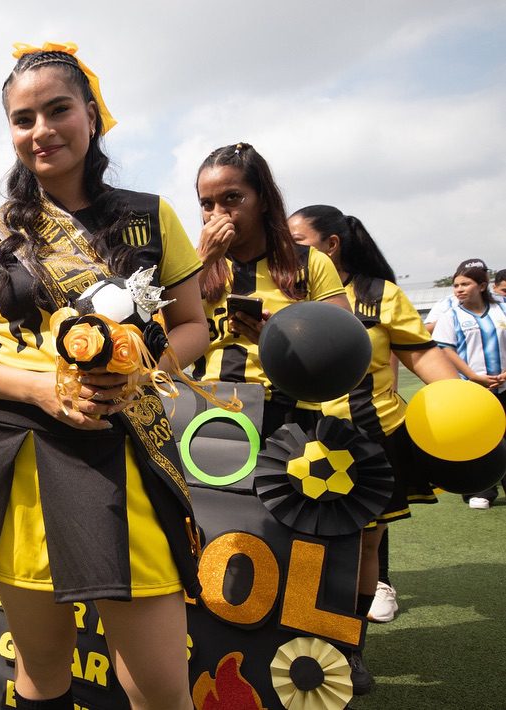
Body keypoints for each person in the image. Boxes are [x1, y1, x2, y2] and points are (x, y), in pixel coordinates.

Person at [0, 43, 207, 709]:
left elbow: (194, 324)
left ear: (91, 114)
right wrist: (39, 390)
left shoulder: (150, 215)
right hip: (18, 453)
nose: (41, 130)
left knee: (159, 686)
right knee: (40, 672)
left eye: (57, 110)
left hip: (125, 449)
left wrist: (139, 372)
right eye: (23, 119)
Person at [289, 204, 459, 695]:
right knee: (303, 546)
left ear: (331, 244)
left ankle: (349, 649)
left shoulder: (380, 294)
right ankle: (297, 642)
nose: (289, 251)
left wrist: (461, 399)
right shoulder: (284, 290)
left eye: (298, 241)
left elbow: (421, 352)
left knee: (363, 544)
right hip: (300, 437)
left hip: (371, 439)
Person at [191, 145, 349, 439]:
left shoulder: (311, 263)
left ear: (263, 199)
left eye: (232, 198)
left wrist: (277, 341)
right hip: (209, 416)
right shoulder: (191, 266)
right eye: (207, 204)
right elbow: (160, 337)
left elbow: (342, 349)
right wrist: (202, 261)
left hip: (290, 418)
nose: (217, 215)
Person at [430, 261, 506, 509]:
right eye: (456, 285)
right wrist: (473, 376)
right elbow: (446, 350)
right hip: (473, 391)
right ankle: (482, 490)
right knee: (480, 440)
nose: (459, 289)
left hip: (504, 386)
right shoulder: (451, 316)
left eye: (465, 284)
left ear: (482, 286)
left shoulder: (502, 309)